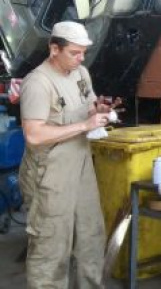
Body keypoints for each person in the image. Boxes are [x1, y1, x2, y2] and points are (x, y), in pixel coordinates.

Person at [18, 21, 112, 288]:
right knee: (52, 243)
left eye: (83, 52)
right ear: (54, 49)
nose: (81, 58)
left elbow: (89, 104)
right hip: (50, 172)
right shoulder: (38, 83)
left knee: (91, 235)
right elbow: (34, 135)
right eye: (74, 52)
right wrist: (84, 125)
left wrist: (98, 111)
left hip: (81, 164)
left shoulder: (80, 72)